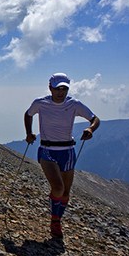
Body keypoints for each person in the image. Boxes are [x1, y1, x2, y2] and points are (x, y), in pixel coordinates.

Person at [24, 72, 100, 240]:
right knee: (58, 188)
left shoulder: (74, 104)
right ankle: (54, 219)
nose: (61, 92)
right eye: (58, 88)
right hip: (47, 150)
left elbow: (95, 119)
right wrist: (29, 133)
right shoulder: (41, 103)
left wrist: (90, 129)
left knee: (65, 192)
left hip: (67, 151)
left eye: (64, 89)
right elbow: (28, 114)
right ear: (50, 88)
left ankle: (56, 221)